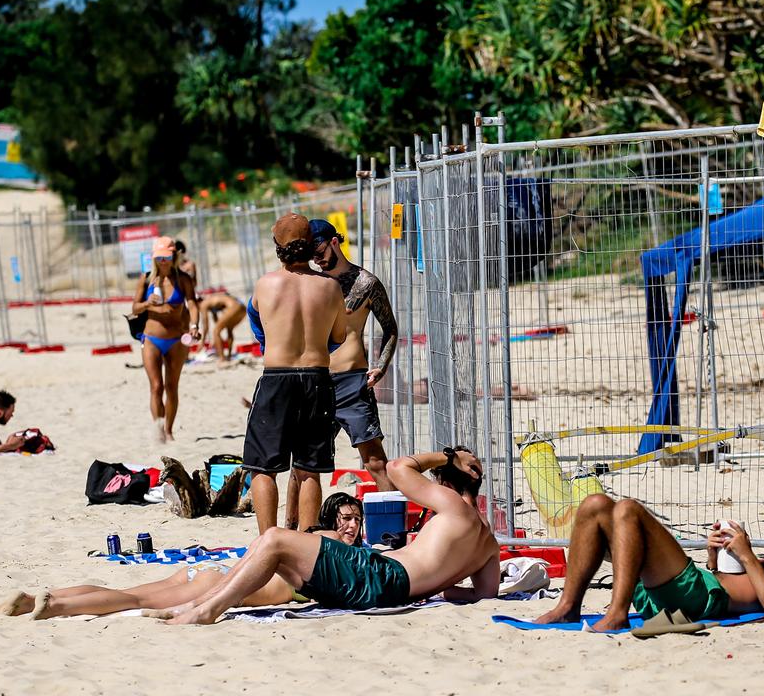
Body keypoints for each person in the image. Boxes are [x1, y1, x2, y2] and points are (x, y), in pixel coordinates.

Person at [146, 447, 499, 625]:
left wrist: (448, 456)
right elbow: (484, 593)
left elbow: (397, 468)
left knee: (274, 539)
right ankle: (199, 603)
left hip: (379, 577)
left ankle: (206, 610)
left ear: (448, 478)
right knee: (268, 548)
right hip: (388, 586)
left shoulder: (455, 508)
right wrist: (435, 583)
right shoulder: (488, 543)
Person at [0, 493, 366, 620]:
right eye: (345, 518)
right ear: (329, 521)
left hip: (211, 573)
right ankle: (55, 606)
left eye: (356, 520)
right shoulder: (328, 544)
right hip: (216, 581)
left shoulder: (307, 543)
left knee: (130, 592)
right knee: (132, 600)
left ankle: (36, 599)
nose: (351, 527)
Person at [533, 492, 764, 632]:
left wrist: (747, 556)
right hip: (682, 590)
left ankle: (618, 613)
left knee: (628, 509)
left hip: (698, 597)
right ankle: (568, 607)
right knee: (594, 504)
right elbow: (735, 583)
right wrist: (715, 557)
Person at [242, 213, 347, 534]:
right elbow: (339, 337)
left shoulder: (266, 284)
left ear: (278, 247)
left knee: (263, 468)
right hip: (317, 378)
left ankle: (267, 541)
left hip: (278, 377)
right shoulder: (330, 288)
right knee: (308, 469)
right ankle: (306, 540)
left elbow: (258, 323)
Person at [306, 219, 399, 491]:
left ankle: (394, 531)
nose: (317, 260)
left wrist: (381, 367)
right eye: (311, 256)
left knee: (374, 462)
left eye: (320, 252)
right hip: (316, 379)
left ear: (334, 241)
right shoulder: (311, 283)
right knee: (304, 465)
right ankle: (296, 530)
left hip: (351, 381)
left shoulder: (365, 283)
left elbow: (390, 328)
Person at [132, 236, 200, 443]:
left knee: (172, 386)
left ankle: (169, 431)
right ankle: (158, 429)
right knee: (156, 386)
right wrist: (146, 303)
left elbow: (192, 304)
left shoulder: (183, 279)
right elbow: (134, 308)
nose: (163, 261)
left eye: (166, 257)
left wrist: (194, 326)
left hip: (176, 339)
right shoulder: (146, 279)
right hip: (151, 338)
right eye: (159, 257)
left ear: (174, 256)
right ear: (154, 258)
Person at [198, 292, 245, 361]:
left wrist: (202, 342)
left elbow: (206, 326)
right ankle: (229, 356)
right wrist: (218, 340)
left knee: (215, 331)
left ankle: (222, 359)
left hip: (233, 307)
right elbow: (217, 322)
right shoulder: (211, 301)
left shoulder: (203, 304)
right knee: (229, 329)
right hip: (242, 308)